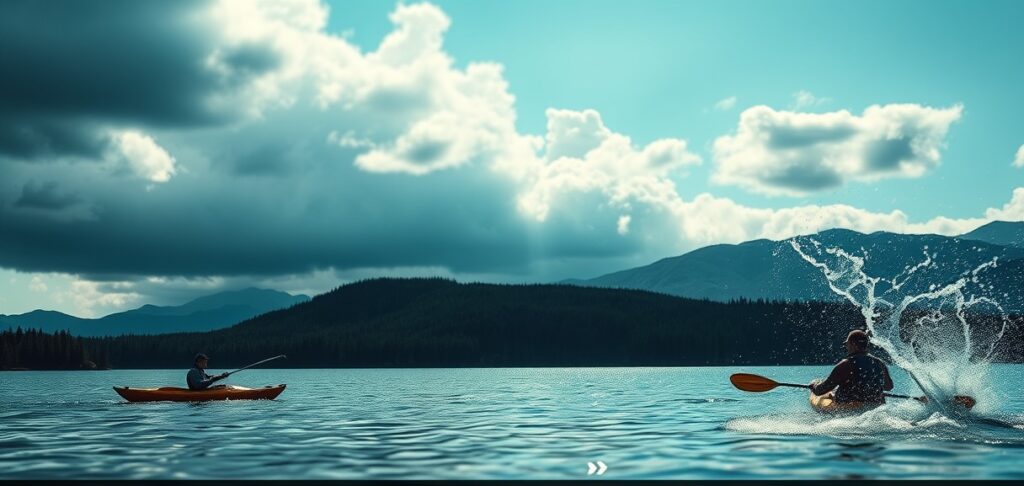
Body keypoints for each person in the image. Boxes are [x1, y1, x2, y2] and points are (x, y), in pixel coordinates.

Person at [809, 330, 894, 405]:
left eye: (847, 344)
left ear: (853, 344)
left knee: (829, 393)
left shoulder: (845, 364)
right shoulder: (880, 363)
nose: (846, 347)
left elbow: (821, 390)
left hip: (849, 407)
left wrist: (814, 386)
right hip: (875, 404)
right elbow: (889, 387)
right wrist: (873, 386)